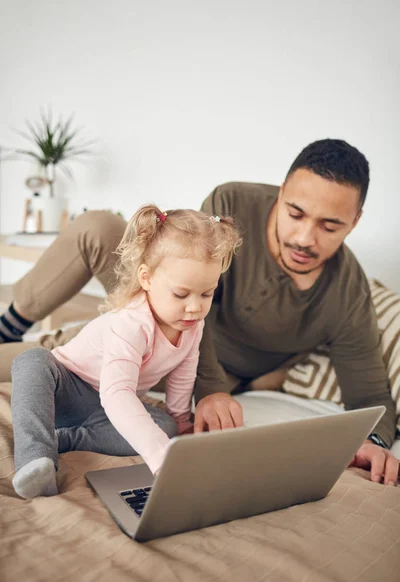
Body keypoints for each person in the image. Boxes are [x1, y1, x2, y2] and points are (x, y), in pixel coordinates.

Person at [1, 139, 399, 486]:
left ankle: (63, 428)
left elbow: (370, 391)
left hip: (180, 366)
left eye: (330, 226)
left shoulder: (349, 290)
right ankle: (12, 324)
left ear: (354, 222)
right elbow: (189, 304)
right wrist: (212, 391)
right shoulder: (232, 205)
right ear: (280, 193)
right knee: (93, 234)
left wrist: (375, 440)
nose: (304, 238)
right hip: (144, 336)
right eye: (295, 214)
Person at [10, 205, 241, 498]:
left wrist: (181, 424)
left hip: (104, 410)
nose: (195, 307)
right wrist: (161, 456)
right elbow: (116, 393)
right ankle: (35, 457)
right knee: (32, 361)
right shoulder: (132, 323)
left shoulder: (192, 325)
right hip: (67, 390)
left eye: (207, 294)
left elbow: (184, 373)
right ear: (146, 278)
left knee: (164, 426)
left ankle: (65, 439)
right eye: (181, 294)